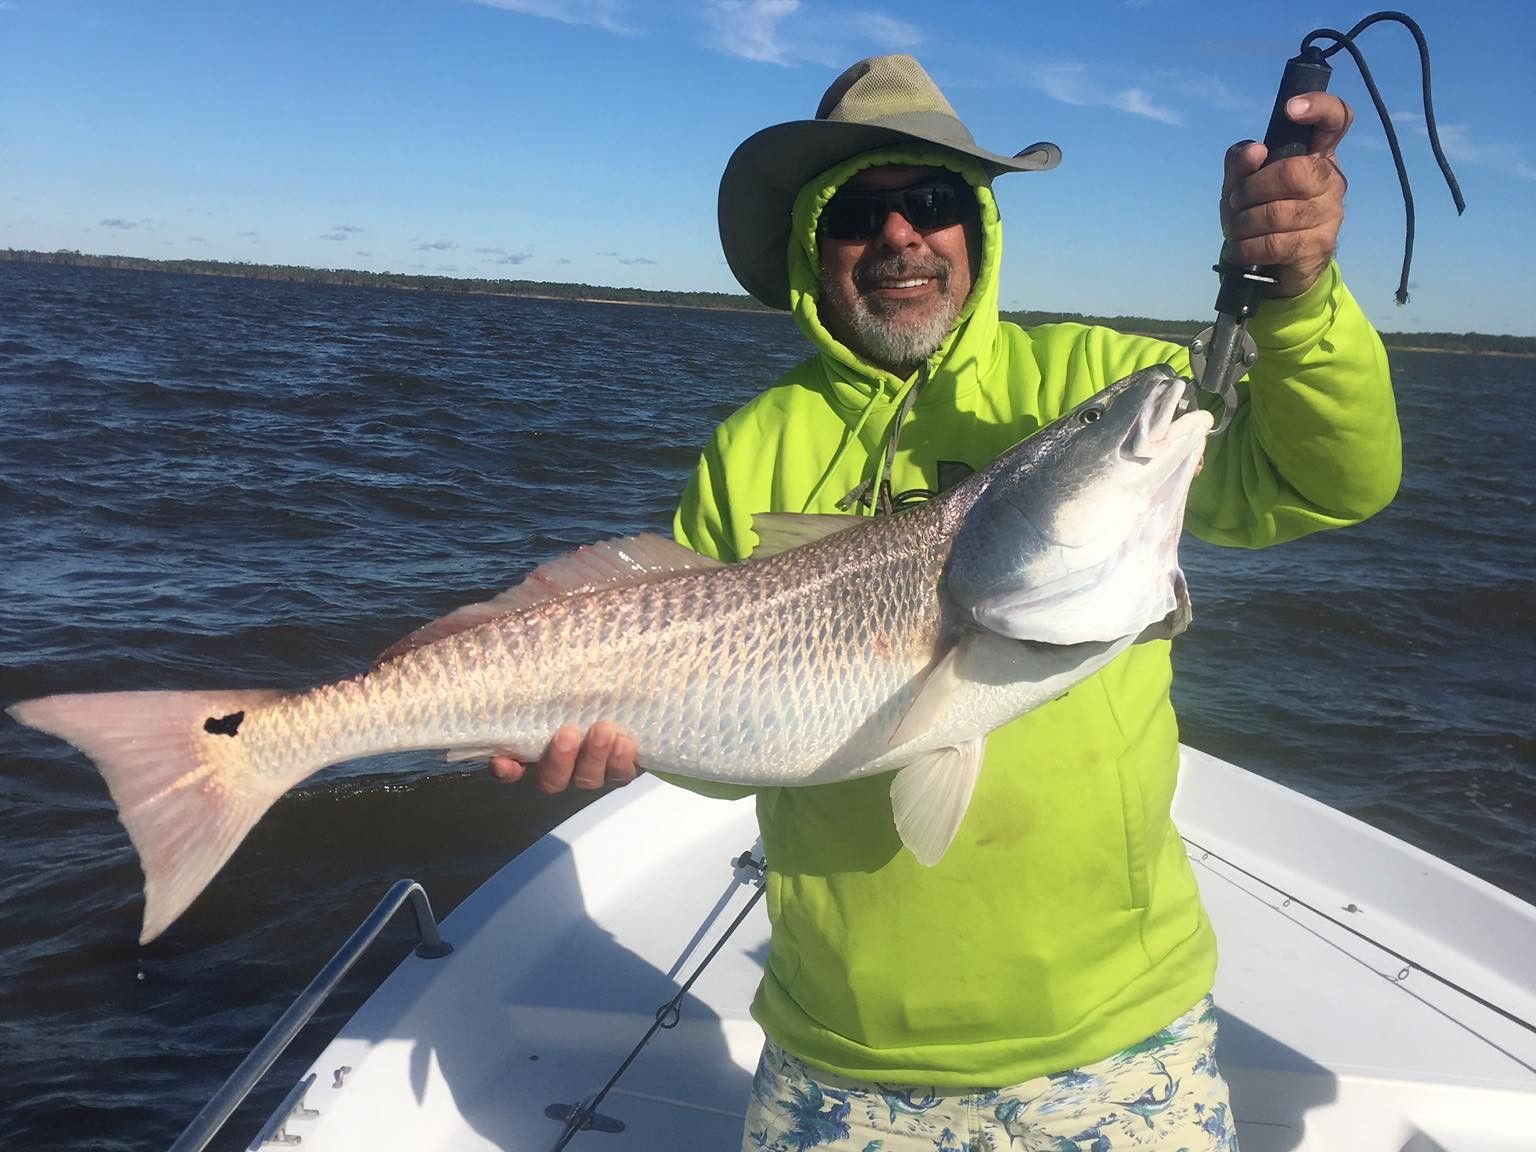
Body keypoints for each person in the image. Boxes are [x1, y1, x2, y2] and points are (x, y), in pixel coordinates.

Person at [492, 54, 1397, 1150]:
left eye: (935, 201)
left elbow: (1327, 480)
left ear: (978, 226)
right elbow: (715, 724)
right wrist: (622, 743)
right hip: (839, 1053)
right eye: (860, 212)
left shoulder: (1095, 384)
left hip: (1115, 1034)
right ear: (810, 246)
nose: (902, 236)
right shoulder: (753, 446)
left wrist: (1297, 304)